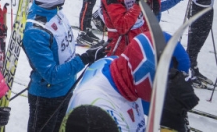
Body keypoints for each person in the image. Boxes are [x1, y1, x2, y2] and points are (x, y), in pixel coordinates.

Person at [62, 32, 198, 132]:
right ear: (146, 72)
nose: (163, 94)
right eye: (164, 84)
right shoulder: (96, 111)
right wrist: (171, 122)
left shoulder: (120, 69)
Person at [23, 0, 106, 132]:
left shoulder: (54, 10)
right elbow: (52, 75)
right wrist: (85, 58)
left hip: (67, 88)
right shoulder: (35, 31)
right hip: (47, 97)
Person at [185, 0, 217, 86]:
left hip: (194, 7)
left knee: (194, 41)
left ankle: (192, 68)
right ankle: (189, 71)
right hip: (204, 10)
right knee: (195, 43)